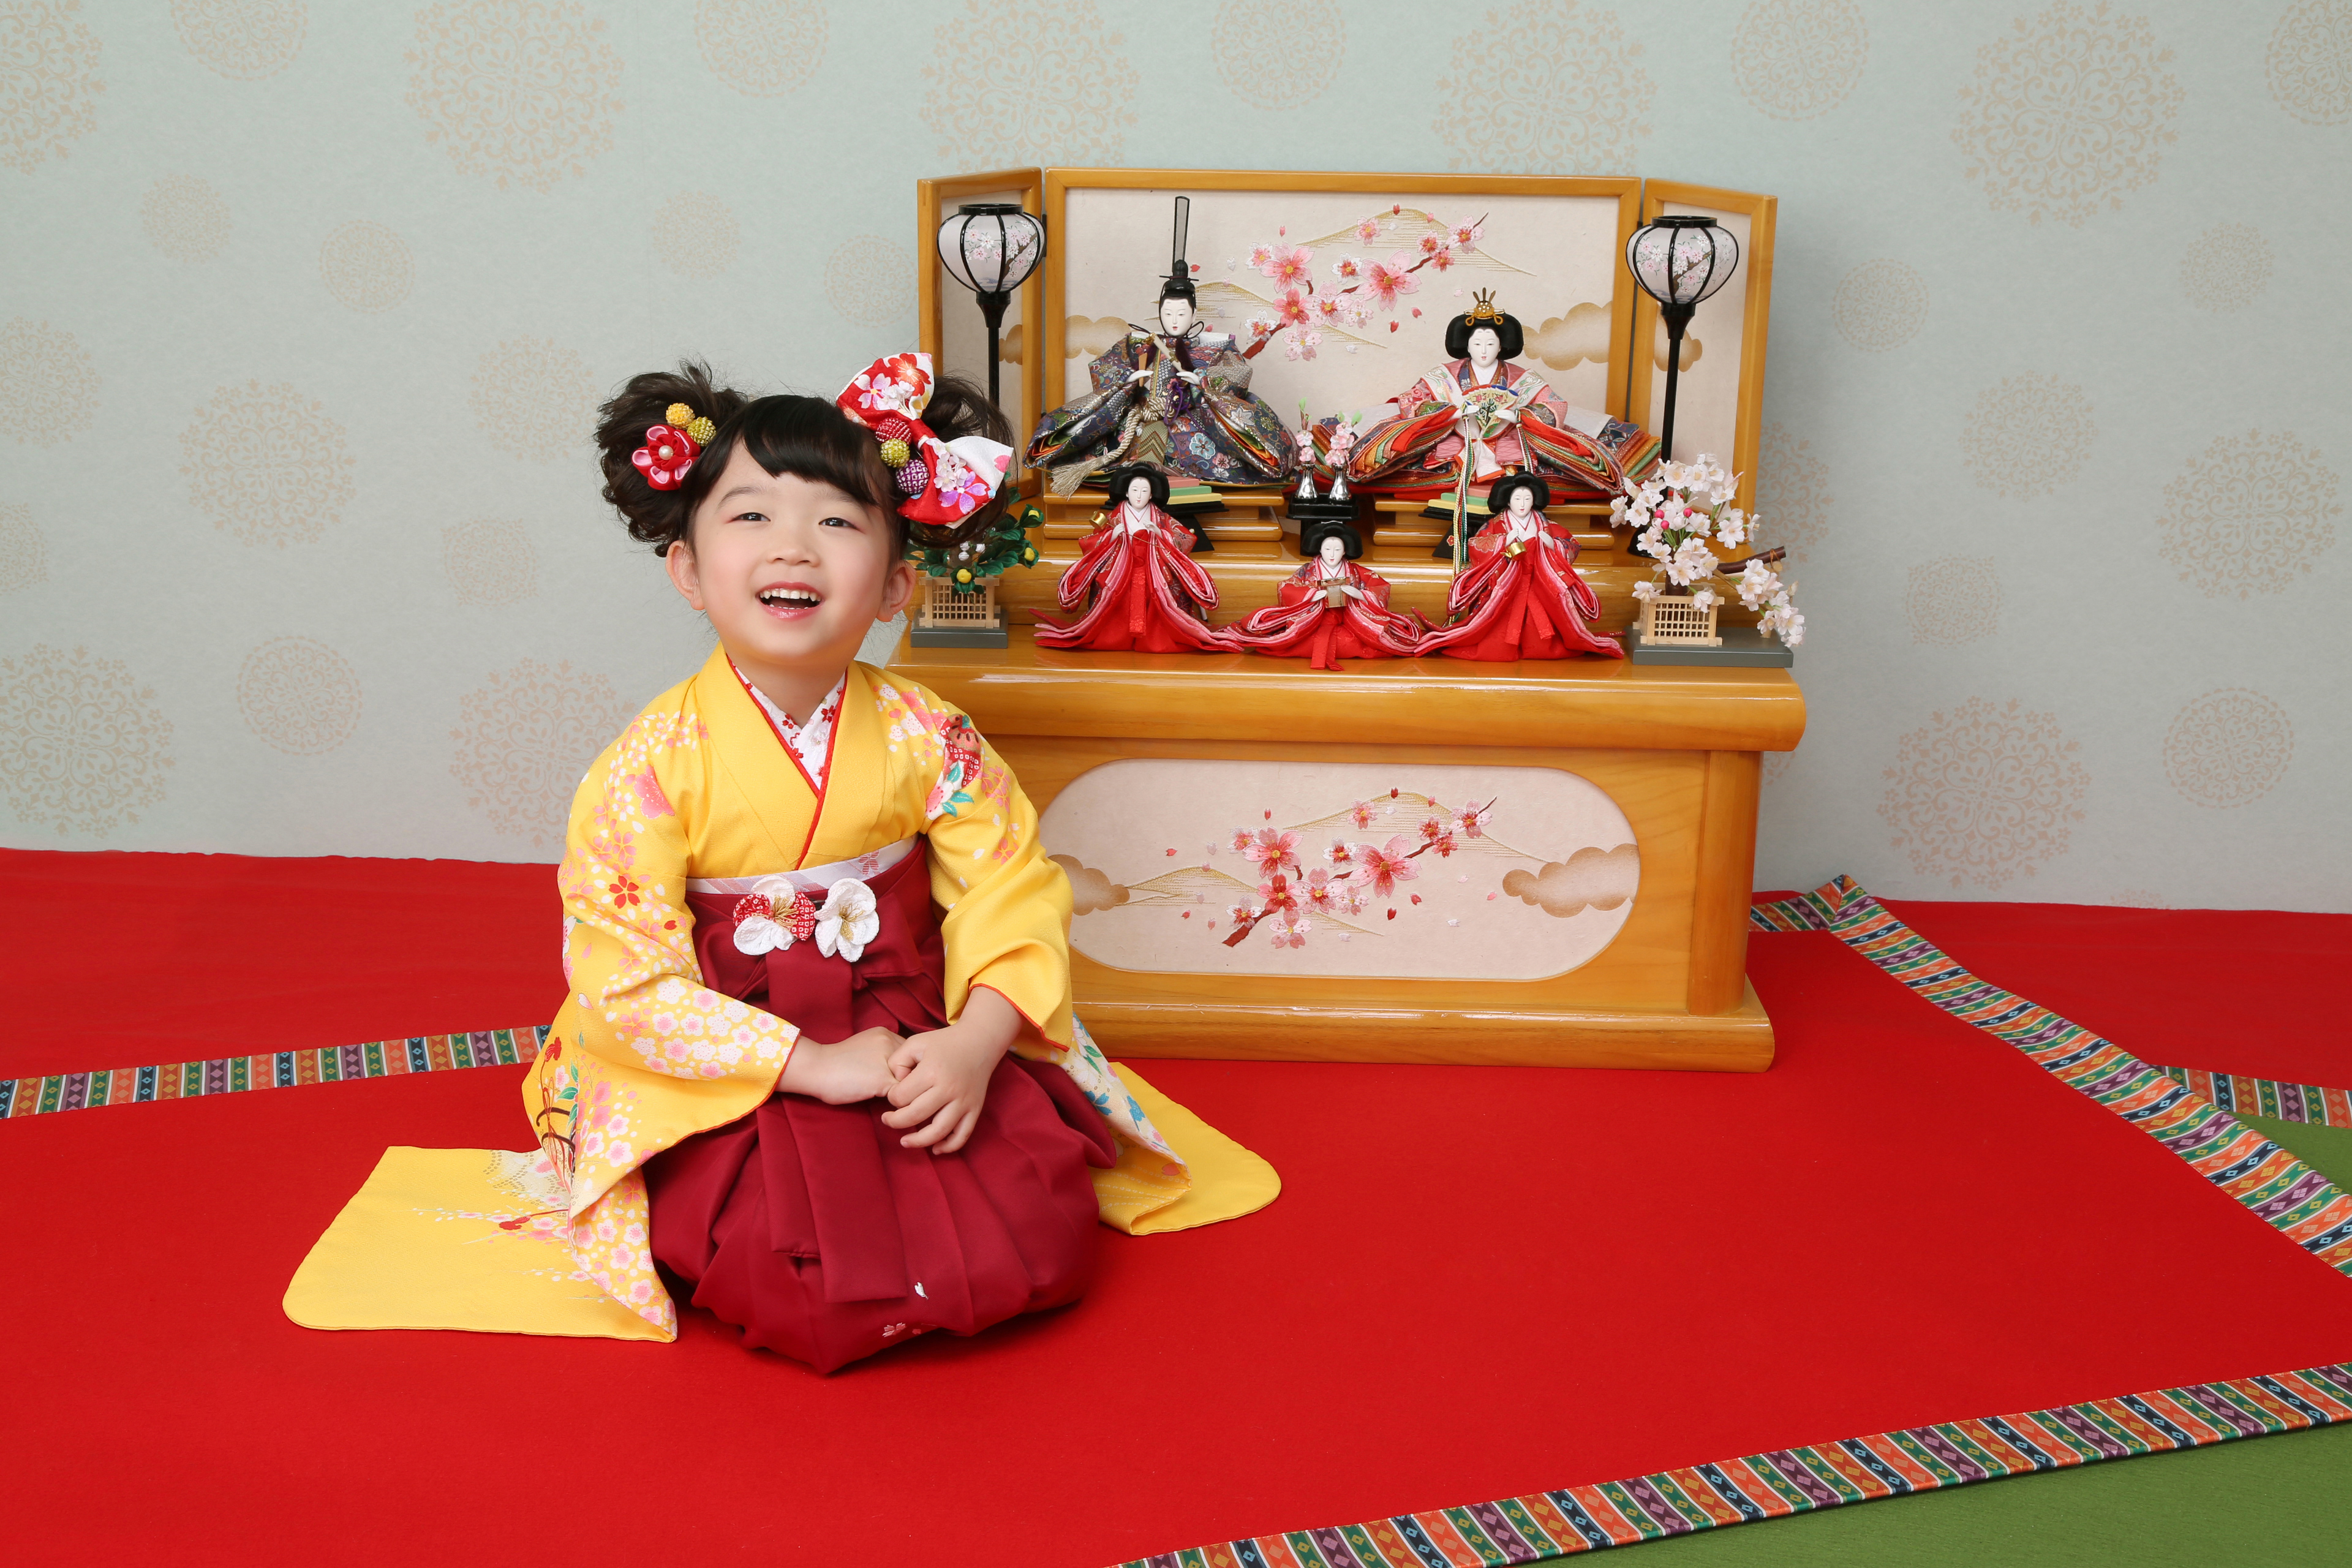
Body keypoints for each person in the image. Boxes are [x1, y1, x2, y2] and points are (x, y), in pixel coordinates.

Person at [536, 352, 1196, 1371]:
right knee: (770, 1254)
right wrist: (807, 1064)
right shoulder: (648, 767)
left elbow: (1011, 886)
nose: (792, 546)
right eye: (751, 515)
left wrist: (976, 1042)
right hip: (732, 1043)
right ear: (688, 570)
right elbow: (623, 973)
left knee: (1032, 1222)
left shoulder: (930, 734)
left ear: (895, 585)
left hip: (909, 1020)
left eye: (838, 522)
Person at [1345, 290, 1660, 552]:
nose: (1483, 350)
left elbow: (1554, 404)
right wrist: (1450, 413)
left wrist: (1518, 415)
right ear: (1466, 345)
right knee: (1399, 448)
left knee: (1571, 455)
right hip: (1456, 435)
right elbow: (1411, 400)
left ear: (1502, 345)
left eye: (1491, 344)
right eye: (1477, 344)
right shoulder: (1443, 375)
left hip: (1507, 437)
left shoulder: (1522, 377)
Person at [1025, 197, 1292, 499]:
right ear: (1160, 312)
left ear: (1194, 314)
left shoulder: (1215, 348)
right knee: (1113, 449)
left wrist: (1203, 382)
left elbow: (1238, 373)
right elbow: (1105, 368)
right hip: (1139, 420)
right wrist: (1127, 382)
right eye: (1168, 313)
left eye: (1182, 314)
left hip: (1189, 423)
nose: (1174, 320)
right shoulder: (1139, 344)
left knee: (1206, 449)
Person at [1416, 473, 1626, 662]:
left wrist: (1554, 545)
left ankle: (1542, 647)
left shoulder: (1547, 526)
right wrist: (1503, 541)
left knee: (1543, 626)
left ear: (1535, 500)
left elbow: (1572, 545)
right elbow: (1476, 544)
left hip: (1539, 582)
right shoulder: (1495, 525)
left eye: (1527, 498)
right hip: (1507, 583)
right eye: (1517, 499)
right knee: (1497, 629)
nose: (1523, 504)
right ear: (1508, 501)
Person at [1031, 464, 1231, 654]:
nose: (1139, 495)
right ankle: (1115, 637)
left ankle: (1156, 637)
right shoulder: (1115, 517)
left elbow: (1185, 538)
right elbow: (1091, 541)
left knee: (1161, 597)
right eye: (1135, 490)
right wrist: (1111, 536)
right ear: (1126, 492)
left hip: (1154, 568)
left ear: (1151, 495)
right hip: (1120, 569)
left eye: (1145, 491)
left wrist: (1161, 533)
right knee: (1113, 597)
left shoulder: (1161, 518)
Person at [1219, 529, 1423, 671]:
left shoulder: (1356, 571)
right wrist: (1310, 596)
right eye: (1327, 549)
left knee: (1368, 643)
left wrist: (1360, 595)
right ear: (1319, 550)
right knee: (1291, 643)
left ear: (1345, 551)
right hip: (1314, 620)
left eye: (1337, 550)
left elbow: (1380, 586)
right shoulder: (1307, 570)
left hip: (1350, 620)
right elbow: (1287, 587)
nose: (1332, 554)